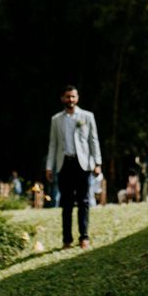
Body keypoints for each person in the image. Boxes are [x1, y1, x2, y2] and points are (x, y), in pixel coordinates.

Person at [46, 85, 102, 250]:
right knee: (66, 203)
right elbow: (53, 145)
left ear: (77, 98)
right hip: (64, 164)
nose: (70, 99)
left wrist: (97, 163)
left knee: (84, 201)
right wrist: (49, 167)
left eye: (73, 96)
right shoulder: (56, 119)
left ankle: (84, 237)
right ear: (62, 98)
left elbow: (94, 140)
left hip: (83, 164)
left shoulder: (87, 116)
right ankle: (67, 240)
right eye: (67, 97)